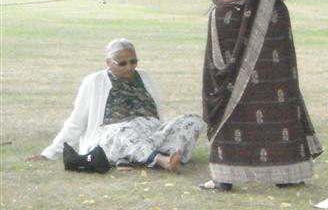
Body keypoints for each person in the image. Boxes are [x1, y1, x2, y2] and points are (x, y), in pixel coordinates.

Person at [200, 0, 322, 192]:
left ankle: (225, 176)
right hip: (270, 26)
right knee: (276, 92)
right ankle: (287, 173)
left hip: (227, 24)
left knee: (228, 91)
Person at [27, 39, 203, 172]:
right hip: (112, 136)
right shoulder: (94, 81)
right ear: (109, 63)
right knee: (126, 131)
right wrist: (49, 153)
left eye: (133, 62)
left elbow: (158, 115)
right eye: (123, 63)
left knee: (192, 120)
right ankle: (161, 161)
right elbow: (76, 122)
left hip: (150, 133)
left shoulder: (145, 77)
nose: (129, 67)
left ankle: (171, 154)